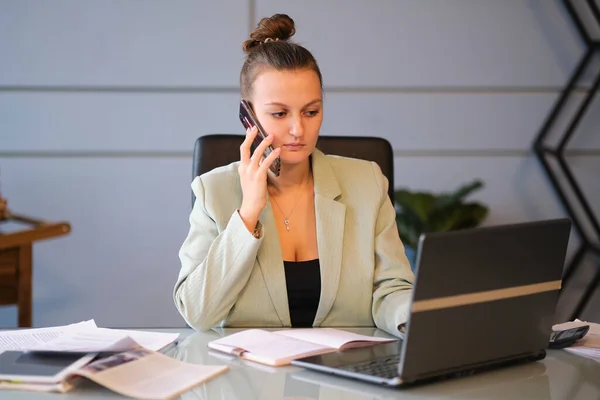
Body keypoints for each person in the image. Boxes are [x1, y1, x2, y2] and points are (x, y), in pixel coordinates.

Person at [173, 14, 414, 337]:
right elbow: (198, 313)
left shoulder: (366, 183)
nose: (298, 129)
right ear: (249, 117)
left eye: (311, 111)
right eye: (279, 113)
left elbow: (391, 288)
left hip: (344, 377)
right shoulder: (213, 190)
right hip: (248, 381)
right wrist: (247, 215)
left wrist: (412, 318)